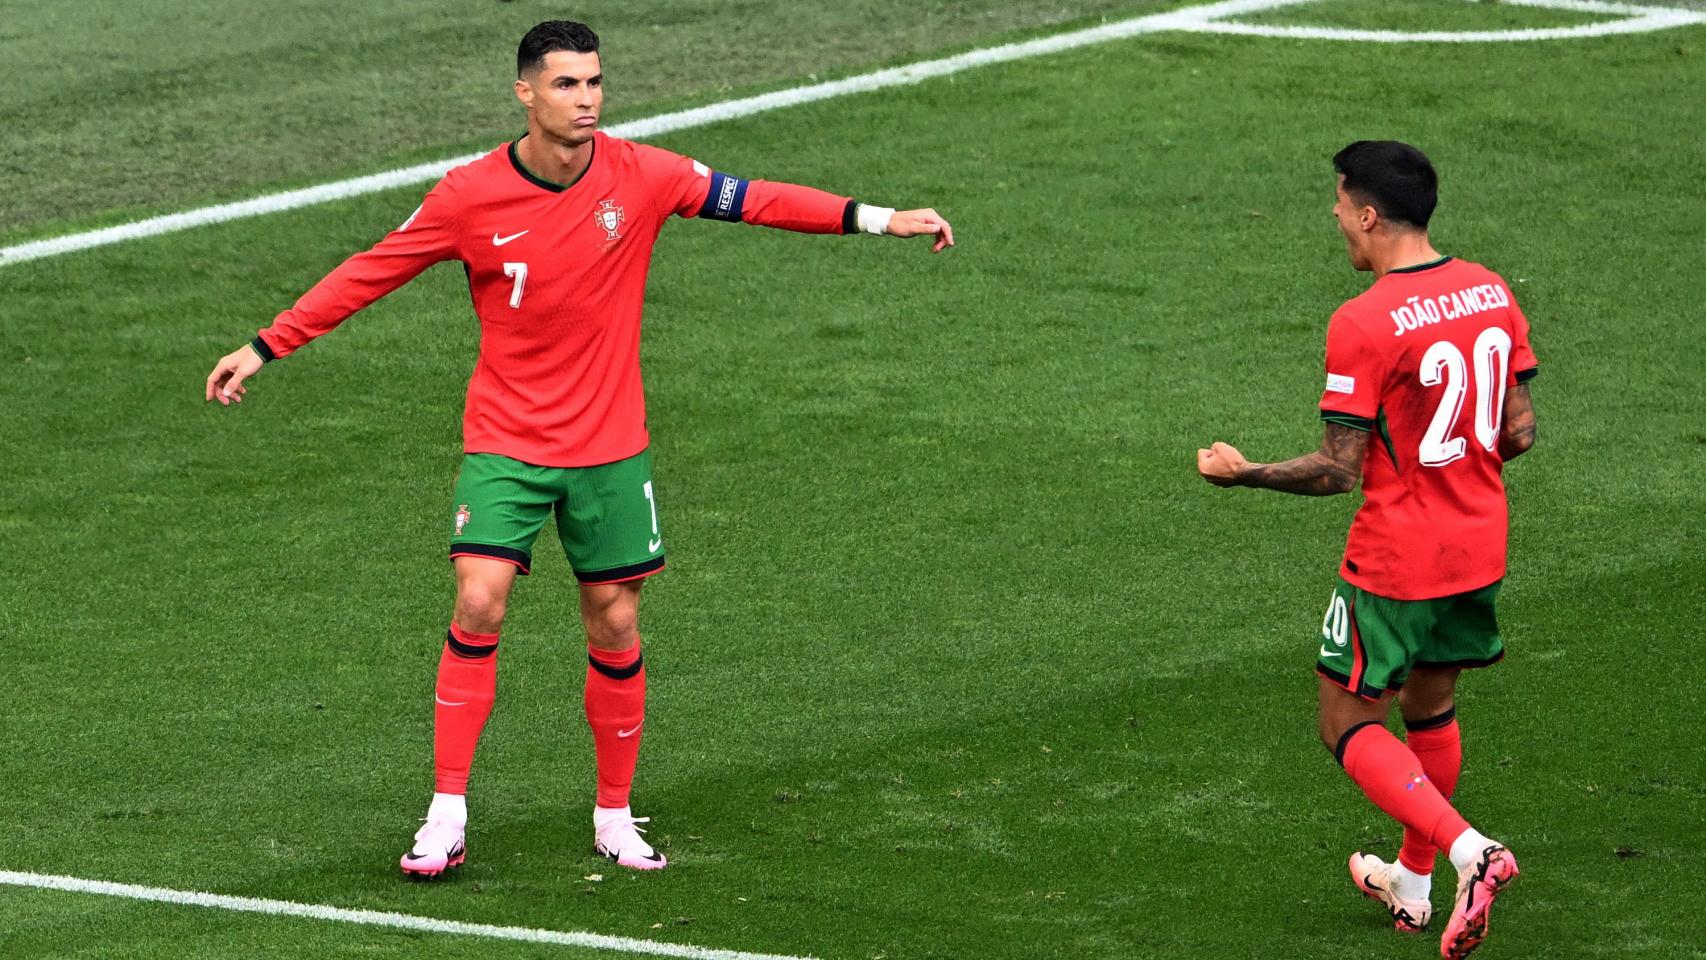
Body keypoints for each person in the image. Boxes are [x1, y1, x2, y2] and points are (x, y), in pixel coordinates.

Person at [204, 20, 953, 878]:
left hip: (608, 446)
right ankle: (446, 812)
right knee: (478, 599)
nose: (587, 98)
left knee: (617, 619)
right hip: (507, 443)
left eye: (595, 81)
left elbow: (756, 199)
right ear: (525, 92)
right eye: (566, 84)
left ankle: (613, 814)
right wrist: (267, 345)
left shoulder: (645, 175)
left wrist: (878, 218)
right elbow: (372, 268)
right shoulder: (469, 194)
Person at [1195, 141, 1535, 959]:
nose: (1336, 217)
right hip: (1480, 541)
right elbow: (1520, 432)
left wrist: (1243, 475)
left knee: (1346, 719)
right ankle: (1411, 887)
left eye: (1341, 204)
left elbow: (1335, 473)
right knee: (1431, 707)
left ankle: (1469, 854)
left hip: (1398, 556)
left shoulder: (1366, 320)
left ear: (1371, 214)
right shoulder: (1490, 287)